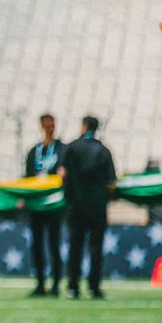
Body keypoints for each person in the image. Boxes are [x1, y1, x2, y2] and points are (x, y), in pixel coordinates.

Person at [63, 115, 116, 299]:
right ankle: (94, 287)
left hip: (75, 206)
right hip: (97, 207)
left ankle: (73, 287)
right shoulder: (103, 151)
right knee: (96, 248)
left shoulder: (71, 148)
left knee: (74, 247)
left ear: (83, 126)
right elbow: (111, 182)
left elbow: (63, 175)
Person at [24, 113, 65, 297]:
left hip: (54, 206)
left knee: (54, 244)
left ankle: (56, 284)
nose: (50, 127)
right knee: (37, 245)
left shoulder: (62, 149)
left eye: (52, 124)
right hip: (36, 206)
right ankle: (40, 284)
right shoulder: (34, 151)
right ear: (41, 125)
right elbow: (27, 177)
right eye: (47, 124)